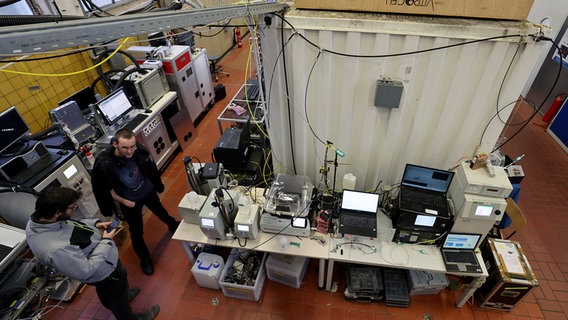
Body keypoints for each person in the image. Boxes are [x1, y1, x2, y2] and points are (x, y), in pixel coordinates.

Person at [25, 187, 159, 320]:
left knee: (109, 291)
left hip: (102, 266)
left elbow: (71, 224)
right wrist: (106, 241)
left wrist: (96, 224)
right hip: (104, 272)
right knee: (117, 297)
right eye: (72, 207)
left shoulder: (40, 220)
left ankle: (121, 296)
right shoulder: (56, 249)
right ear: (57, 212)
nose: (75, 209)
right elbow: (86, 270)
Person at [92, 128, 180, 275]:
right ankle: (144, 259)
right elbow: (104, 190)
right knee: (137, 231)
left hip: (147, 191)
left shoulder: (137, 149)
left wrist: (156, 185)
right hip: (129, 202)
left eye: (132, 146)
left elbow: (149, 167)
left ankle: (172, 224)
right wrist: (125, 202)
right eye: (125, 147)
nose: (130, 151)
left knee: (160, 210)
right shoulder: (105, 162)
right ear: (115, 144)